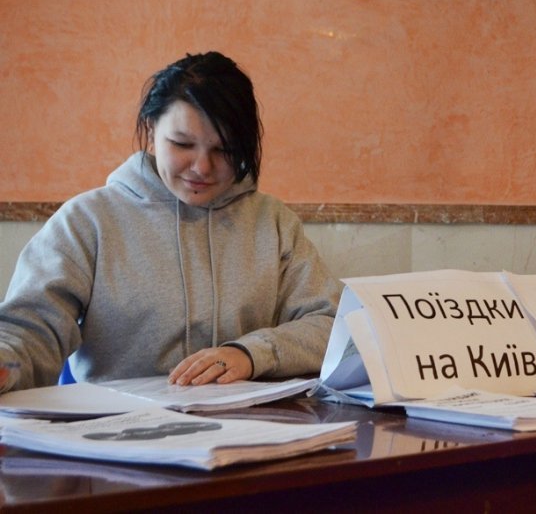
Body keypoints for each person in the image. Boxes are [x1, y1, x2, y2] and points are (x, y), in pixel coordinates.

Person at [0, 51, 341, 393]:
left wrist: (250, 354)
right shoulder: (87, 221)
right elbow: (29, 330)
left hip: (248, 421)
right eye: (182, 144)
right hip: (118, 422)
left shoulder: (273, 223)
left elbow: (334, 326)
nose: (202, 167)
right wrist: (7, 364)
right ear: (151, 130)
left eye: (224, 150)